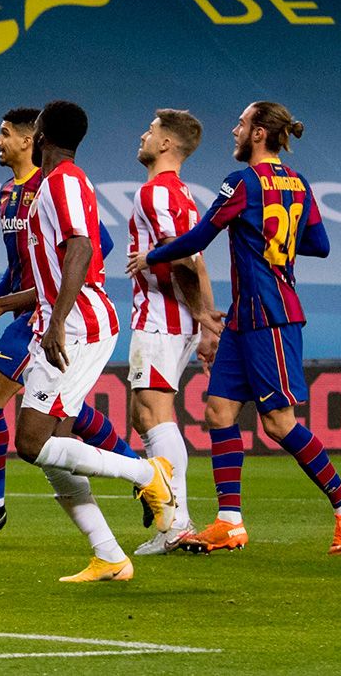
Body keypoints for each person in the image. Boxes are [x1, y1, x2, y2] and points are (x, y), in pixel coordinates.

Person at [130, 101, 341, 555]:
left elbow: (200, 237)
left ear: (259, 133)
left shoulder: (239, 183)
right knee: (218, 412)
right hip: (247, 317)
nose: (234, 131)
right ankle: (229, 522)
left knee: (279, 424)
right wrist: (278, 232)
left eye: (241, 125)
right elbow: (319, 244)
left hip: (272, 316)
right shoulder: (298, 183)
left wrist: (152, 256)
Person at [0, 100, 175, 583]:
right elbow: (50, 273)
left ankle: (148, 474)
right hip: (55, 320)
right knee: (51, 443)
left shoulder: (63, 183)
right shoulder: (51, 184)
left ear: (38, 134)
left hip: (79, 324)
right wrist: (8, 304)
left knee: (33, 441)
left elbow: (83, 246)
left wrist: (57, 320)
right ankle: (109, 555)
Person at [0, 107, 140, 543]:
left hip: (48, 316)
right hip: (23, 312)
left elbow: (94, 245)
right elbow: (21, 264)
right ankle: (133, 472)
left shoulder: (52, 184)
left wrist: (59, 300)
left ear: (28, 139)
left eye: (3, 134)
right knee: (63, 409)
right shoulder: (8, 192)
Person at [123, 109, 221, 555]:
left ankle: (176, 524)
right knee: (145, 415)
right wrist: (207, 319)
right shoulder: (181, 194)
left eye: (150, 131)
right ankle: (173, 518)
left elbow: (182, 259)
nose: (143, 136)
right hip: (174, 318)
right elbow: (197, 258)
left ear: (166, 144)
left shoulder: (156, 193)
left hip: (162, 317)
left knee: (154, 416)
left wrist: (203, 318)